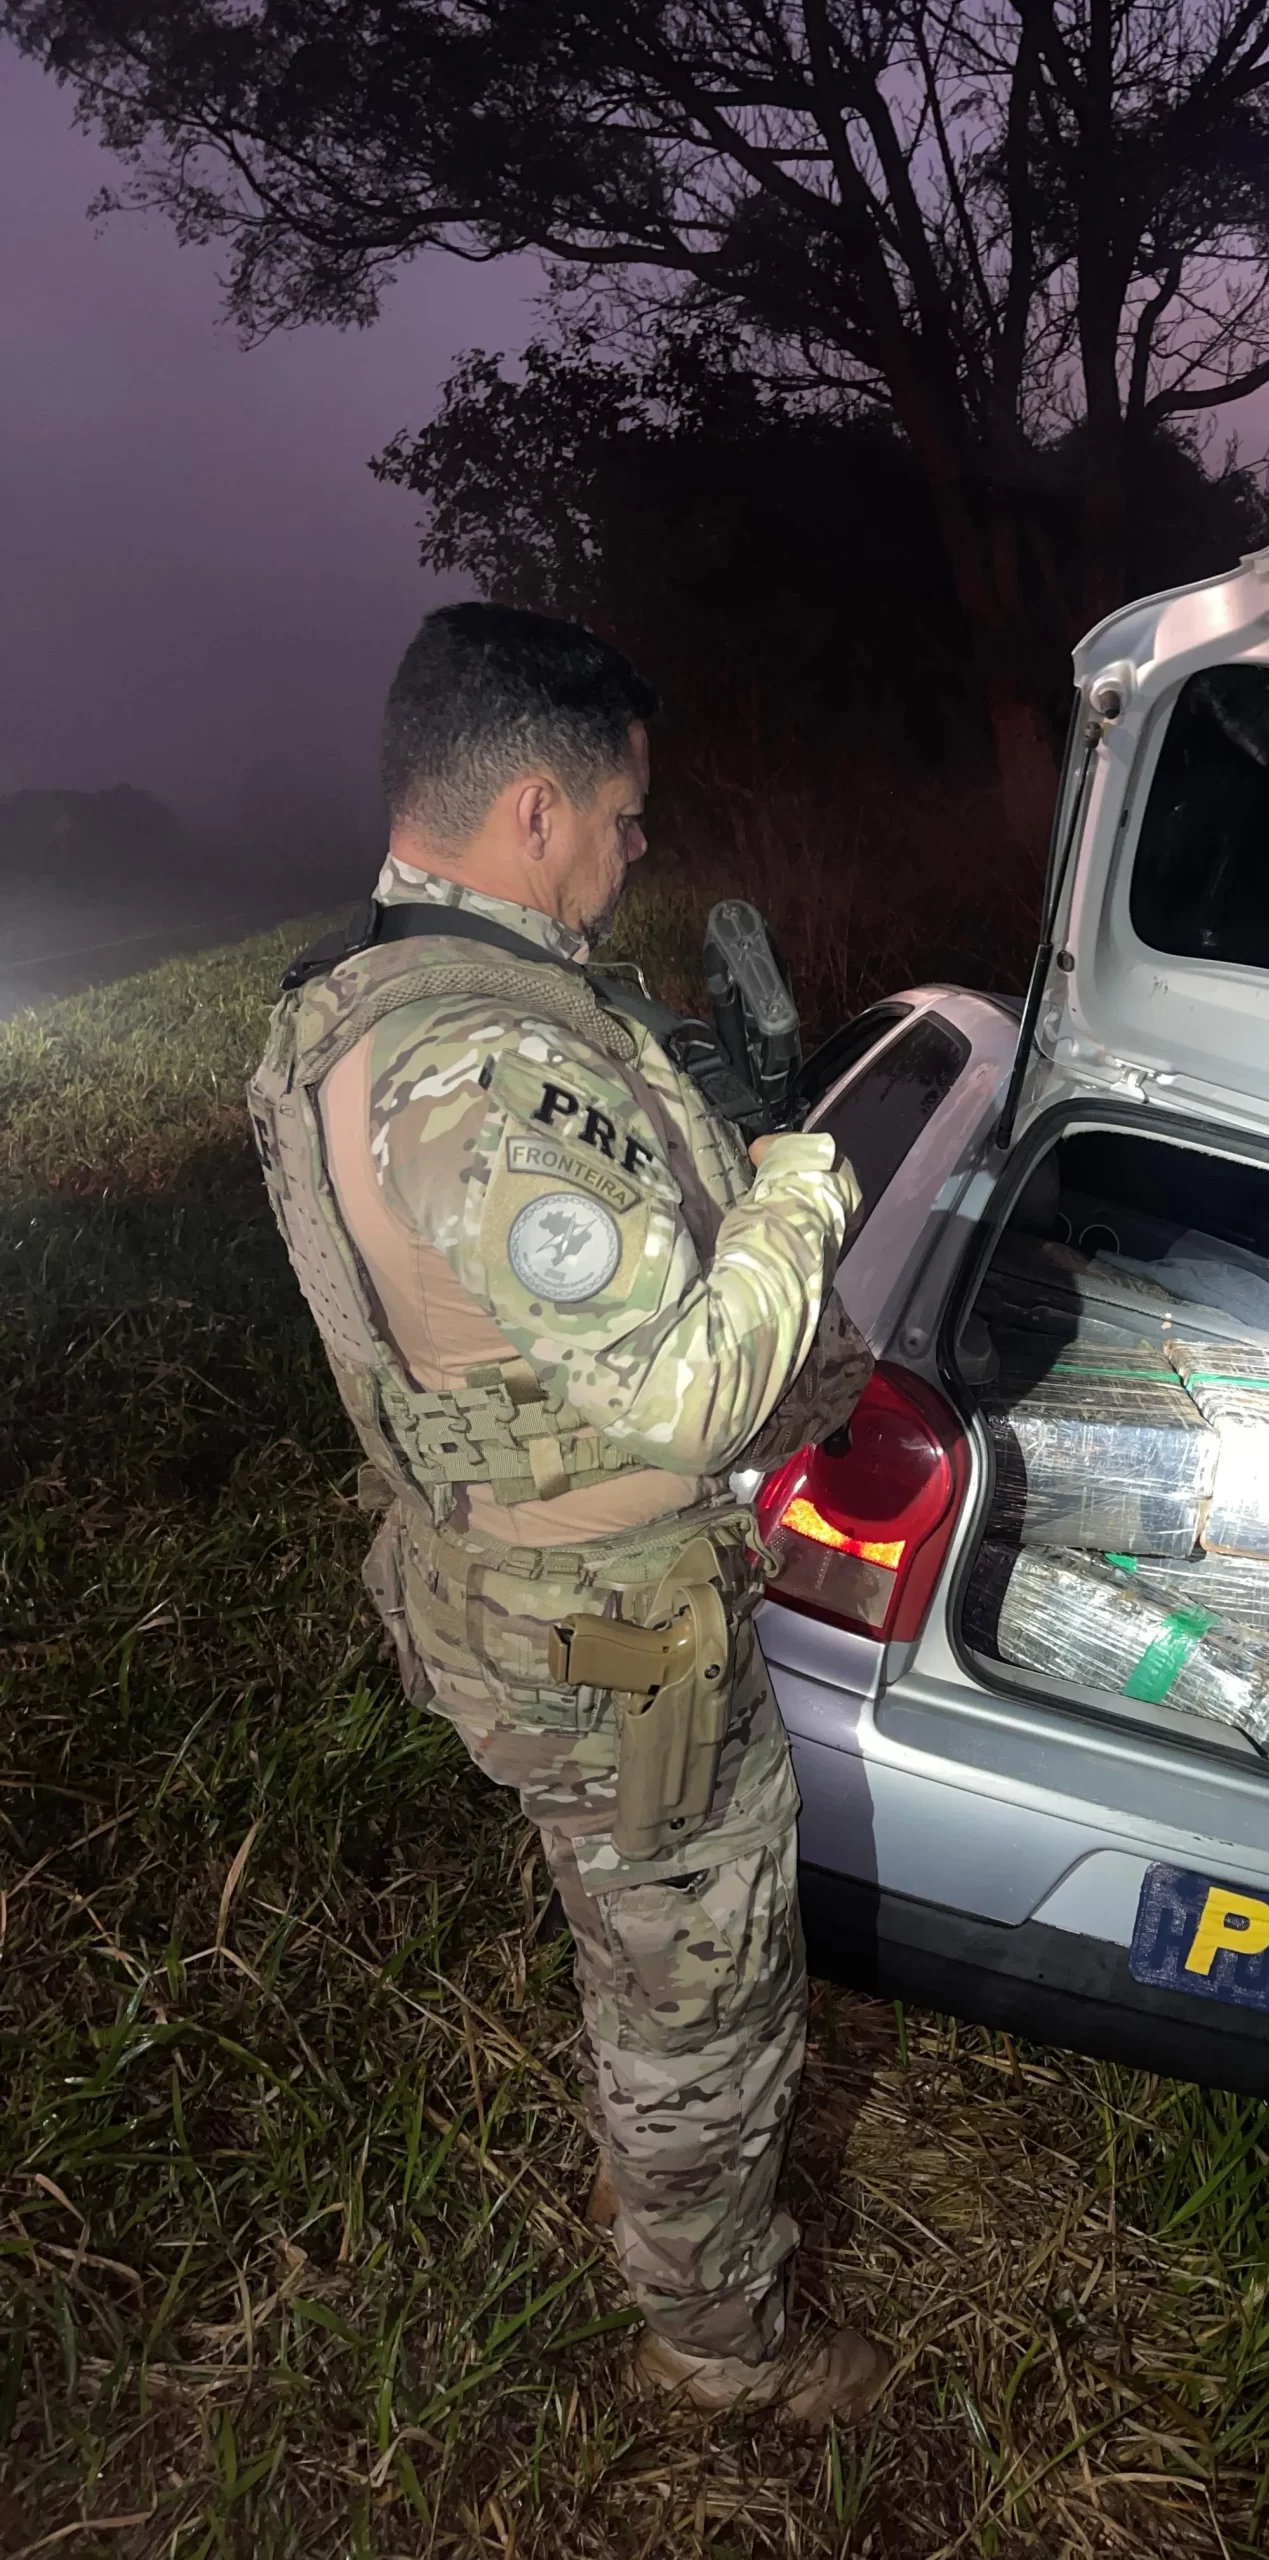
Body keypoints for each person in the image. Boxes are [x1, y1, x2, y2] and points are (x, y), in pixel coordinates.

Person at [247, 603, 885, 2424]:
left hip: (506, 1597)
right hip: (614, 1640)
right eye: (621, 815)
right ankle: (717, 2345)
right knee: (705, 1999)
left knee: (631, 1934)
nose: (635, 846)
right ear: (534, 807)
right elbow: (687, 1393)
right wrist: (800, 1190)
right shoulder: (480, 1062)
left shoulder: (361, 993)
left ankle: (655, 2185)